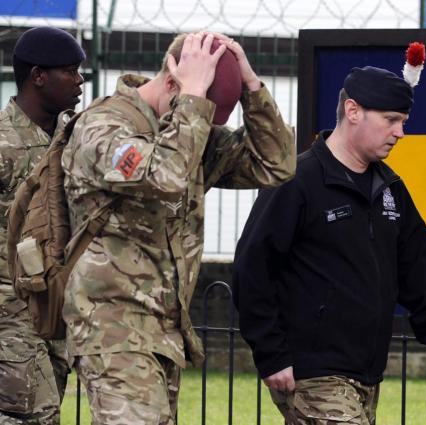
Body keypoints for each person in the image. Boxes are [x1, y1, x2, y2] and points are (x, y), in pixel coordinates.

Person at [62, 31, 296, 424]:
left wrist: (251, 88)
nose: (203, 123)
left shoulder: (188, 132)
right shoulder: (104, 127)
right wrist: (193, 100)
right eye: (191, 102)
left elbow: (277, 164)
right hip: (113, 329)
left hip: (165, 333)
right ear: (173, 80)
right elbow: (165, 174)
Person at [233, 65, 426, 424]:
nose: (400, 132)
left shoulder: (391, 188)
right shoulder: (298, 180)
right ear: (353, 111)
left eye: (403, 121)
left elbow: (416, 270)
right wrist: (271, 354)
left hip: (367, 373)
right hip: (312, 373)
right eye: (391, 120)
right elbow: (253, 269)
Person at [0, 27, 85, 425]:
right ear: (38, 76)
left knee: (16, 417)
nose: (80, 81)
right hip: (4, 313)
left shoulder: (77, 141)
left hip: (57, 311)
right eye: (70, 71)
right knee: (33, 416)